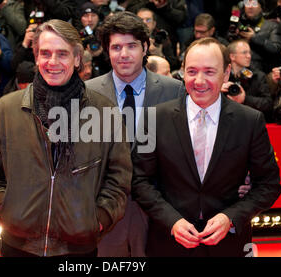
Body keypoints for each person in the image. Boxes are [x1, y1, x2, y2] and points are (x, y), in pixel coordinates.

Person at [0, 19, 132, 257]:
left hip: (78, 248)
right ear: (36, 57)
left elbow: (119, 178)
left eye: (62, 54)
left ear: (77, 59)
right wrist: (4, 207)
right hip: (17, 246)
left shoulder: (105, 113)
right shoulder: (5, 109)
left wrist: (99, 218)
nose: (53, 62)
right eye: (45, 53)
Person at [131, 37, 281, 257]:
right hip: (168, 244)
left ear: (227, 73)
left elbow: (269, 184)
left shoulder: (250, 121)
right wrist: (172, 221)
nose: (199, 81)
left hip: (230, 246)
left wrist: (230, 217)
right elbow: (139, 180)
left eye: (209, 72)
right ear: (182, 72)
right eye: (191, 71)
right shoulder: (153, 118)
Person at [85, 11, 186, 257]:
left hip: (161, 213)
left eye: (131, 46)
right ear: (107, 51)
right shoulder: (86, 94)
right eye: (116, 47)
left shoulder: (175, 91)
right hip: (106, 213)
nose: (124, 54)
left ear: (145, 47)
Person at [222, 39, 272, 115]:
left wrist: (245, 99)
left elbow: (268, 104)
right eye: (244, 53)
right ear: (232, 56)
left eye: (249, 53)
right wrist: (218, 91)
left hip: (249, 120)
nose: (249, 56)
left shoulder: (258, 76)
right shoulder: (221, 76)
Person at [234, 0, 281, 73]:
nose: (250, 7)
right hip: (238, 69)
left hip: (261, 71)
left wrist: (254, 38)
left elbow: (276, 49)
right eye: (247, 3)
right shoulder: (237, 24)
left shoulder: (272, 26)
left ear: (261, 7)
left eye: (254, 3)